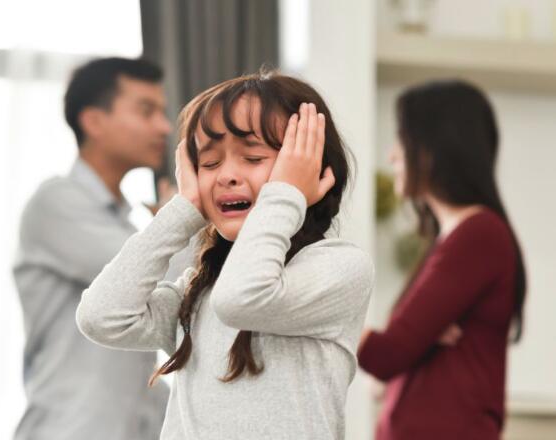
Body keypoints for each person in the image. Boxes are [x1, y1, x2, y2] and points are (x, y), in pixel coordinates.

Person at [76, 72, 374, 439]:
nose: (226, 176)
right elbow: (101, 316)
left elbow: (242, 300)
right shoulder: (198, 289)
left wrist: (286, 193)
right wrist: (183, 209)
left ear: (309, 171)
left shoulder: (339, 267)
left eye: (253, 157)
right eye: (209, 163)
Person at [13, 57, 174, 440]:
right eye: (146, 111)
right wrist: (179, 221)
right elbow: (165, 280)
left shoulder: (123, 221)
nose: (164, 127)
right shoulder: (57, 204)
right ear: (94, 121)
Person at [358, 80, 527, 440]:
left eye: (401, 140)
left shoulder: (478, 235)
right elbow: (387, 368)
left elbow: (388, 355)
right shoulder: (452, 238)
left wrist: (323, 319)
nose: (392, 156)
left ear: (434, 148)